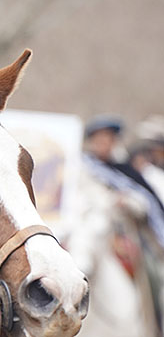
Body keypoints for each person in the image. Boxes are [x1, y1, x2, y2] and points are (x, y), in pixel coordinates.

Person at [65, 116, 164, 337]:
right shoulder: (80, 169)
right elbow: (74, 200)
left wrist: (126, 202)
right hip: (89, 233)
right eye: (100, 139)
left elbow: (145, 203)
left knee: (155, 274)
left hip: (124, 236)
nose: (104, 144)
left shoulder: (125, 171)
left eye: (108, 139)